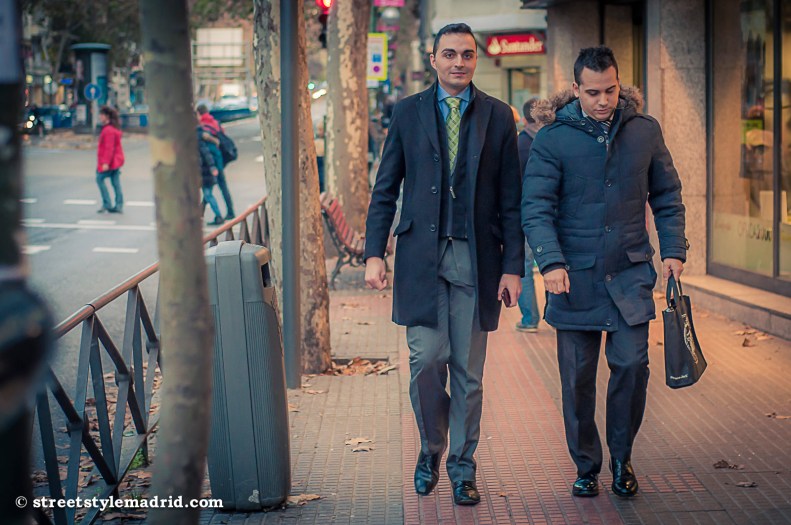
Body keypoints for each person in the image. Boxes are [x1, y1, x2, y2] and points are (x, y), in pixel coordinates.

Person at [364, 23, 523, 506]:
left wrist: (514, 267)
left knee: (469, 372)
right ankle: (432, 446)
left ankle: (462, 467)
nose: (459, 62)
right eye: (449, 54)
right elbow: (385, 188)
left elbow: (512, 200)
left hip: (477, 259)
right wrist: (374, 253)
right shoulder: (407, 112)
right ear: (433, 59)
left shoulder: (498, 116)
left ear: (476, 60)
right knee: (426, 361)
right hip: (421, 259)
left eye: (467, 55)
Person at [522, 46, 687, 499]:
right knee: (577, 380)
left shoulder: (644, 131)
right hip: (574, 278)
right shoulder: (552, 138)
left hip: (629, 273)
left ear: (619, 84)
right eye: (593, 92)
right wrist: (550, 261)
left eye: (610, 90)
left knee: (632, 366)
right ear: (576, 89)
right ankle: (586, 465)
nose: (603, 100)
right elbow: (536, 206)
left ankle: (622, 458)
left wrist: (673, 249)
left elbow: (667, 195)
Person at [515, 99, 541, 333]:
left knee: (524, 267)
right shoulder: (554, 140)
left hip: (525, 213)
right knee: (554, 263)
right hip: (554, 213)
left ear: (525, 119)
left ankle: (530, 319)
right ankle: (556, 315)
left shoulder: (519, 144)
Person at [197, 104, 235, 219]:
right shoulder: (215, 122)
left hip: (210, 161)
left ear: (199, 113)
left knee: (209, 187)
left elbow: (205, 143)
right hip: (219, 158)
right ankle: (230, 211)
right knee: (218, 186)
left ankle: (214, 214)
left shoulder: (202, 126)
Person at [96, 105, 125, 213]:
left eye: (101, 115)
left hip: (111, 162)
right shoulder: (112, 128)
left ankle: (107, 203)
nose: (100, 117)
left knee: (99, 179)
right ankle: (118, 205)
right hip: (115, 161)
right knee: (115, 183)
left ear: (107, 116)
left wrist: (105, 163)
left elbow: (109, 148)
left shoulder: (108, 130)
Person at [197, 124, 225, 226]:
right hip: (208, 171)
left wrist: (212, 166)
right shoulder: (203, 135)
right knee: (207, 195)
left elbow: (205, 154)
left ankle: (218, 216)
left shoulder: (197, 138)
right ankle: (200, 215)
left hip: (205, 172)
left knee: (208, 195)